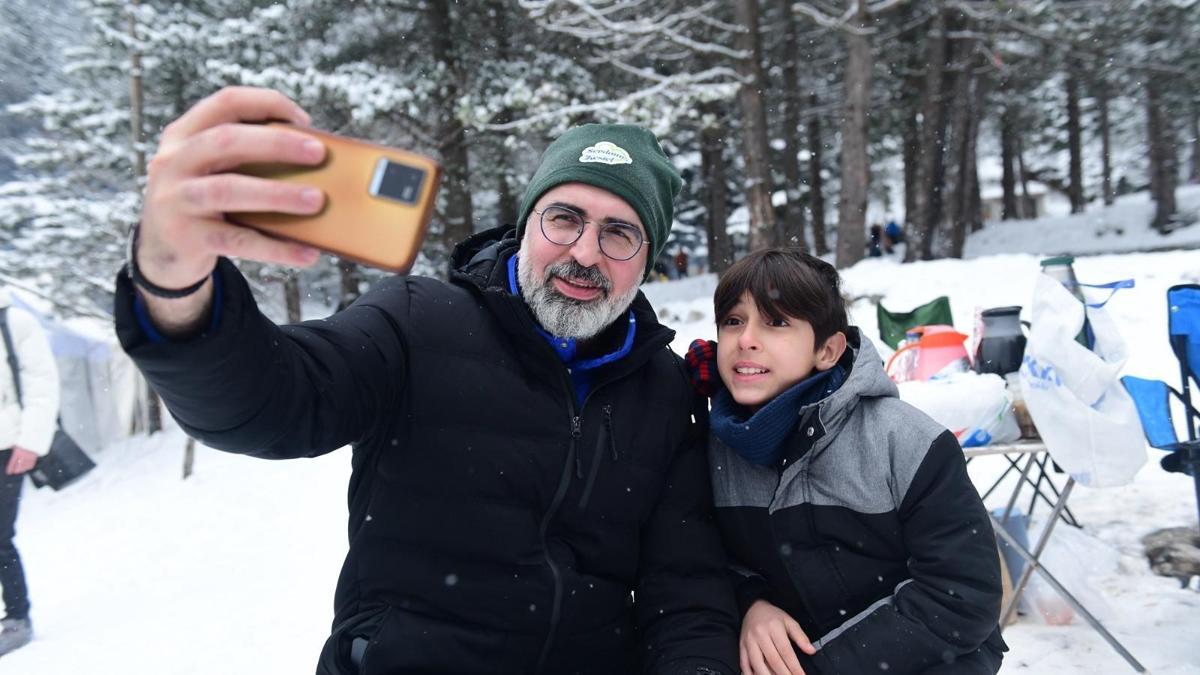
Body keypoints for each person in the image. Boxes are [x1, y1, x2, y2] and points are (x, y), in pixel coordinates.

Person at [114, 87, 738, 674]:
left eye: (619, 233)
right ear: (526, 226)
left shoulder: (664, 387)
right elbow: (269, 404)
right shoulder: (417, 322)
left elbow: (684, 589)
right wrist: (175, 282)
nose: (584, 252)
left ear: (647, 261)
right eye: (565, 218)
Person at [685, 248, 1006, 675]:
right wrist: (752, 602)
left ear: (828, 350)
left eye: (776, 322)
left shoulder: (907, 442)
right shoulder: (711, 448)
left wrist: (825, 668)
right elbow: (699, 562)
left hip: (927, 659)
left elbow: (960, 595)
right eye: (733, 321)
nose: (746, 339)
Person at [0, 287, 60, 657]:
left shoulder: (14, 322)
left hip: (9, 444)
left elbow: (42, 383)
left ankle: (18, 618)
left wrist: (31, 442)